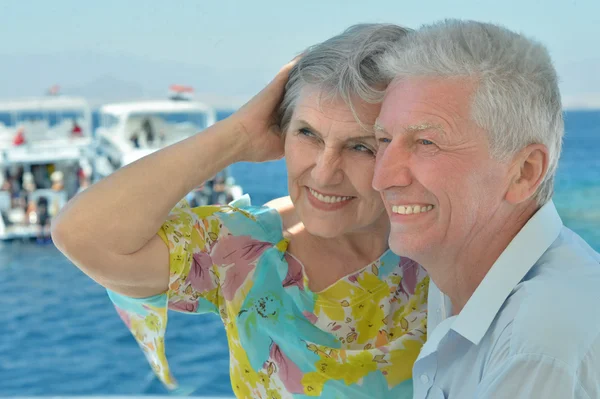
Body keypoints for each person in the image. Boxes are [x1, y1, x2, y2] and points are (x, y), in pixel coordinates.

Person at [52, 24, 428, 398]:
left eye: (361, 147)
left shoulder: (447, 245)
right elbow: (83, 235)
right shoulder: (244, 252)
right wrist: (240, 136)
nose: (325, 173)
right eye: (307, 134)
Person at [370, 20, 600, 398]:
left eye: (426, 142)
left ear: (524, 172)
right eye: (383, 139)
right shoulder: (456, 271)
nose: (382, 178)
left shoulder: (539, 341)